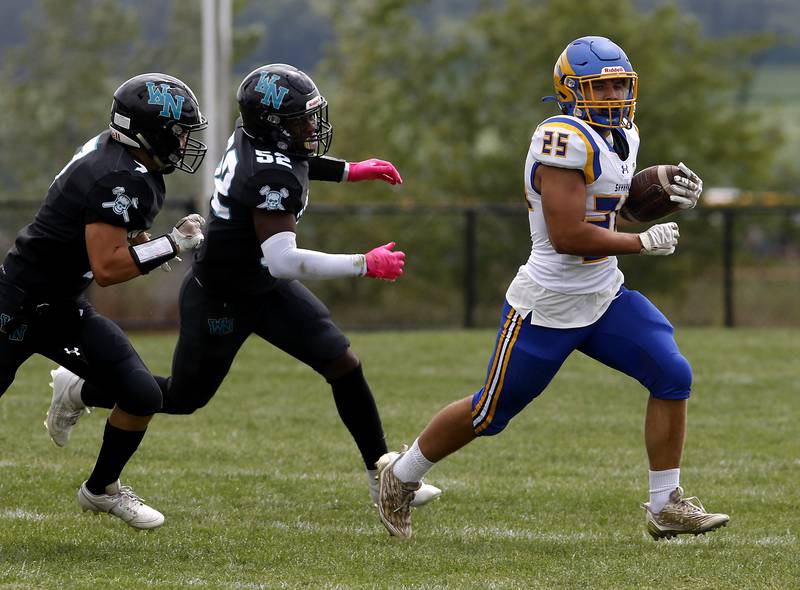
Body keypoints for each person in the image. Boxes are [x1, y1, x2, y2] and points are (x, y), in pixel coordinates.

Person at [376, 36, 730, 540]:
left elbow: (611, 211)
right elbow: (566, 234)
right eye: (599, 87)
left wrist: (662, 197)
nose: (612, 96)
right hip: (549, 301)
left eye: (618, 86)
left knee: (672, 373)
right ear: (570, 90)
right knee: (488, 412)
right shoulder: (561, 140)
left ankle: (664, 504)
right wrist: (640, 241)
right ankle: (401, 476)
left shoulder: (624, 133)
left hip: (603, 293)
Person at [45, 63, 441, 509]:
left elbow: (295, 158)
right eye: (301, 120)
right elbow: (285, 259)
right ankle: (79, 390)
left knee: (343, 363)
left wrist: (351, 171)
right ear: (273, 125)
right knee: (179, 397)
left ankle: (380, 474)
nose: (311, 127)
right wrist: (363, 263)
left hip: (261, 285)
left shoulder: (255, 135)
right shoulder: (268, 175)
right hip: (222, 296)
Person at [1, 73, 208, 529]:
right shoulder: (118, 174)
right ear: (148, 129)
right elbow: (109, 267)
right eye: (178, 131)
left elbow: (118, 233)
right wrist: (171, 245)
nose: (185, 140)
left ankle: (101, 489)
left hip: (62, 305)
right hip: (16, 303)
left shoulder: (129, 162)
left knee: (141, 394)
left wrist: (150, 245)